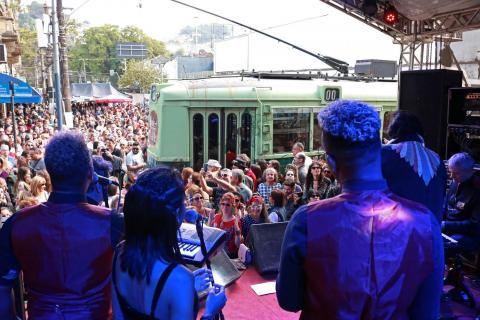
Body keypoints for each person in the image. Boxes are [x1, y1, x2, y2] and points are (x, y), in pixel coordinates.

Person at [276, 100, 443, 319]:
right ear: (379, 150)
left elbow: (289, 301)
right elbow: (427, 313)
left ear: (331, 164)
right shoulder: (426, 223)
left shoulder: (306, 220)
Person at [0, 131, 124, 319]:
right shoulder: (111, 222)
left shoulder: (17, 223)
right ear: (90, 174)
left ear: (50, 172)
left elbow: (2, 289)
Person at [112, 166, 226, 319]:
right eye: (183, 204)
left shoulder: (119, 252)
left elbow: (118, 316)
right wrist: (210, 312)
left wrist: (187, 290)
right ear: (177, 215)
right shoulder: (180, 279)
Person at [382, 111, 447, 222]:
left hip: (397, 233)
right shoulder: (437, 158)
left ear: (392, 131)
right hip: (433, 234)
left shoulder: (385, 153)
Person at [443, 152, 480, 257]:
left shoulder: (477, 190)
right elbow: (446, 207)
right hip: (449, 228)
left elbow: (474, 224)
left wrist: (446, 225)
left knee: (444, 246)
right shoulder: (456, 182)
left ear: (470, 172)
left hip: (468, 235)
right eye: (451, 172)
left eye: (455, 173)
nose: (451, 176)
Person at [210, 192, 242, 258]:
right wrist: (210, 221)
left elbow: (238, 245)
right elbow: (210, 237)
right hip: (215, 252)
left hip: (228, 255)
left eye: (228, 205)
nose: (224, 207)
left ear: (232, 206)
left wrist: (237, 230)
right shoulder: (217, 217)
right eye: (223, 204)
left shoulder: (236, 221)